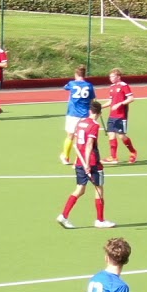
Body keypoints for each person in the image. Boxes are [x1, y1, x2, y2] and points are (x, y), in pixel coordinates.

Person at [56, 100, 114, 229]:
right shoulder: (94, 125)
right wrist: (87, 164)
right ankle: (100, 220)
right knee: (99, 188)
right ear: (99, 113)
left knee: (80, 189)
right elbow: (89, 145)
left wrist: (81, 161)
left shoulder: (80, 123)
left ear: (89, 111)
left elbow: (76, 144)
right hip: (92, 163)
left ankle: (63, 216)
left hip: (79, 162)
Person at [60, 65, 95, 164]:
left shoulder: (72, 83)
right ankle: (78, 158)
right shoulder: (89, 86)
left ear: (76, 74)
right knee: (81, 137)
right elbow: (92, 100)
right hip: (85, 114)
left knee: (70, 135)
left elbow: (65, 87)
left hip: (73, 113)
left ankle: (66, 157)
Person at [103, 68, 138, 164]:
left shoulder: (124, 86)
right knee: (111, 135)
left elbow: (131, 98)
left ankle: (133, 152)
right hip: (112, 115)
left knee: (122, 136)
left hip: (121, 115)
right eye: (110, 76)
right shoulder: (111, 87)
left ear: (118, 77)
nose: (111, 78)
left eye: (113, 76)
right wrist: (100, 107)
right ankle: (113, 157)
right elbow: (110, 101)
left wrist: (120, 104)